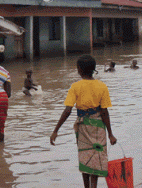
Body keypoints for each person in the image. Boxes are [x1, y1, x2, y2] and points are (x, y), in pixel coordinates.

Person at [50, 55, 117, 188]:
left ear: (79, 69)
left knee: (85, 156)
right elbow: (104, 112)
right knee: (96, 157)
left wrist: (55, 130)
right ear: (93, 69)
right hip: (98, 125)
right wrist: (110, 134)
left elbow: (67, 111)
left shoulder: (75, 86)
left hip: (83, 126)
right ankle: (94, 186)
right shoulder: (102, 86)